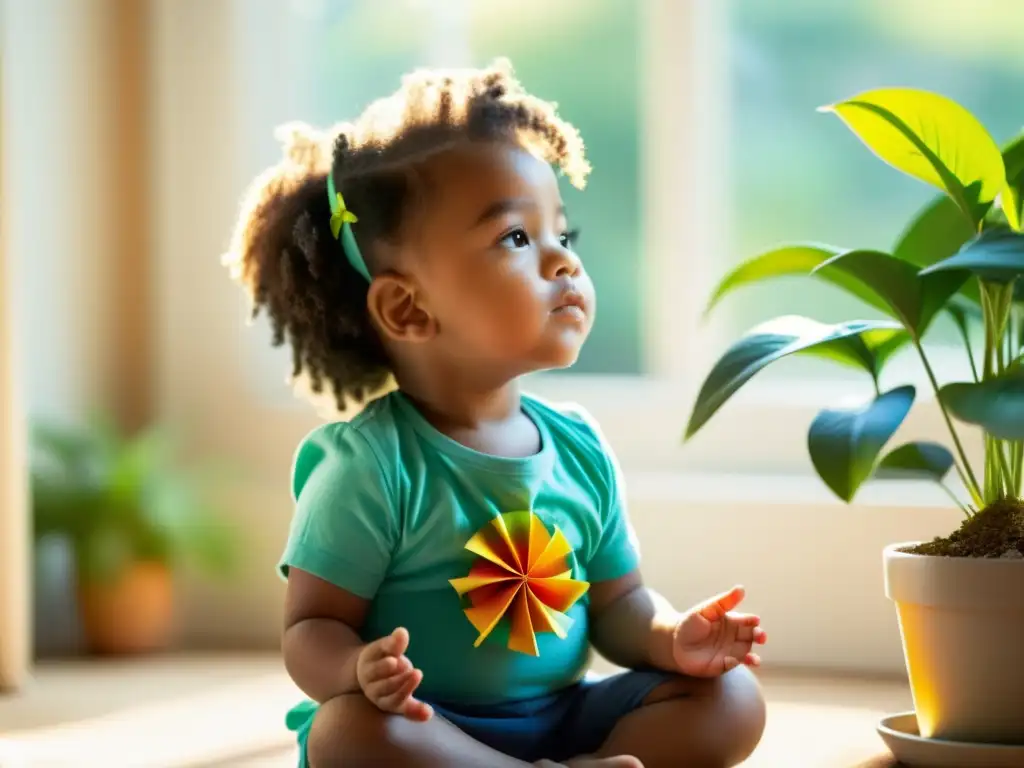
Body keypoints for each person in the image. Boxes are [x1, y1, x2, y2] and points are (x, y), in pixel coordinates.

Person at [224, 59, 767, 768]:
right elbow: (312, 629)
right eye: (516, 238)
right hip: (426, 723)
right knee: (346, 736)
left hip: (568, 715)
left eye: (563, 237)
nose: (564, 263)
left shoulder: (577, 447)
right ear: (407, 308)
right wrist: (357, 674)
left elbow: (620, 604)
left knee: (732, 699)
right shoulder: (370, 467)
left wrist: (672, 638)